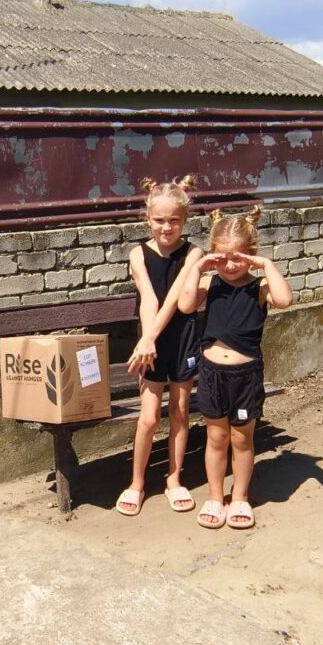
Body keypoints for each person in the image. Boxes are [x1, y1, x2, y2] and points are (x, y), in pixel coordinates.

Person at [177, 206, 293, 529]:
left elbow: (284, 300)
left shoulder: (259, 288)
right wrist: (198, 267)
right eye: (222, 257)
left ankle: (240, 496)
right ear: (214, 255)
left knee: (242, 440)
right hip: (213, 375)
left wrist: (267, 265)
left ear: (251, 256)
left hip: (245, 377)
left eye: (239, 257)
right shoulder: (208, 285)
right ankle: (215, 496)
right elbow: (185, 304)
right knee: (216, 437)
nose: (229, 264)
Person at [116, 176, 205, 516]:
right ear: (147, 218)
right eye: (159, 220)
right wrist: (147, 340)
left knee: (180, 411)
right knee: (150, 417)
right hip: (149, 343)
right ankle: (136, 483)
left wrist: (149, 337)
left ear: (184, 220)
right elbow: (150, 299)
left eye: (174, 220)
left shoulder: (195, 252)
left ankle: (173, 478)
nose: (166, 227)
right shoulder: (138, 253)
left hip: (182, 338)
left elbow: (173, 300)